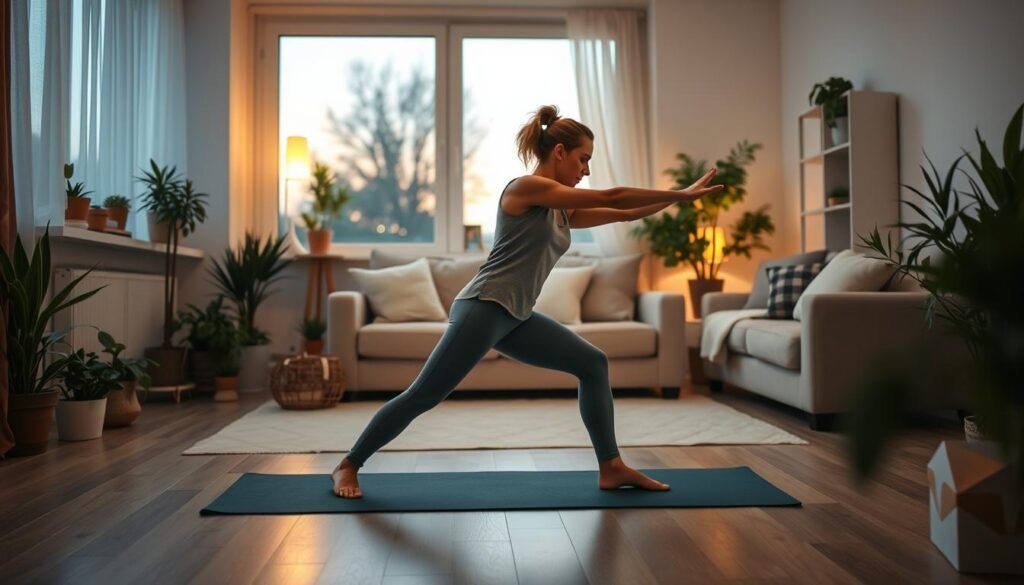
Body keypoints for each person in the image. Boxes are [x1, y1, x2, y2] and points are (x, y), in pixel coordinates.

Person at [332, 105, 723, 498]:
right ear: (559, 153)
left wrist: (679, 202)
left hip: (515, 315)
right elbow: (615, 195)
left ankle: (611, 467)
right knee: (425, 395)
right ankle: (348, 464)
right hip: (484, 307)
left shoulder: (562, 209)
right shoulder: (525, 189)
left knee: (592, 363)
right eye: (583, 159)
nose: (586, 169)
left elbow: (623, 213)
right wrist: (680, 191)